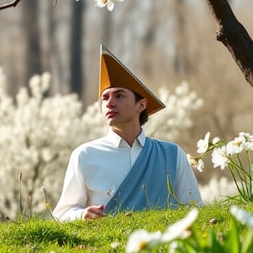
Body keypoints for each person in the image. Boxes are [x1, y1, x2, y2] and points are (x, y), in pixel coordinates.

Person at [52, 46, 203, 221]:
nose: (109, 103)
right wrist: (82, 215)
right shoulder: (84, 155)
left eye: (119, 96)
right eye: (105, 98)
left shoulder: (172, 154)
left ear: (141, 105)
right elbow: (62, 214)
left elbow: (195, 211)